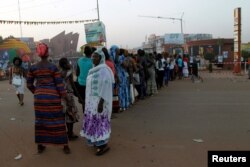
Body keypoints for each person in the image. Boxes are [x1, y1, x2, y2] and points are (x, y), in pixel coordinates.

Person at [26, 43, 70, 154]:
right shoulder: (53, 67)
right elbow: (59, 85)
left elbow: (29, 84)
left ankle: (40, 146)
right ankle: (65, 146)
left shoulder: (33, 67)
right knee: (58, 121)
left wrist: (37, 92)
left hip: (39, 98)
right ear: (47, 53)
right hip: (53, 97)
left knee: (41, 121)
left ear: (38, 53)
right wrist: (65, 97)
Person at [80, 48, 114, 156]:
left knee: (100, 121)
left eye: (96, 56)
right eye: (93, 56)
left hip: (100, 102)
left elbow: (106, 86)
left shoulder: (104, 70)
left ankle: (102, 144)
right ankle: (96, 140)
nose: (93, 58)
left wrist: (101, 102)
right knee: (93, 120)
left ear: (101, 58)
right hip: (91, 102)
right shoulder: (93, 69)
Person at [59, 58, 80, 140]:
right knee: (70, 114)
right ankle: (70, 133)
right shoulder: (69, 72)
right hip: (69, 96)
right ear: (66, 63)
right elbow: (73, 85)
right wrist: (78, 96)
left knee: (62, 114)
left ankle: (64, 133)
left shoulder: (58, 73)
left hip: (61, 95)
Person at [76, 46, 93, 112]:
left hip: (81, 83)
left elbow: (77, 73)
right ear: (91, 53)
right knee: (90, 100)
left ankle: (85, 114)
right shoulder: (93, 61)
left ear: (84, 53)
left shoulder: (79, 60)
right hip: (90, 84)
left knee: (84, 101)